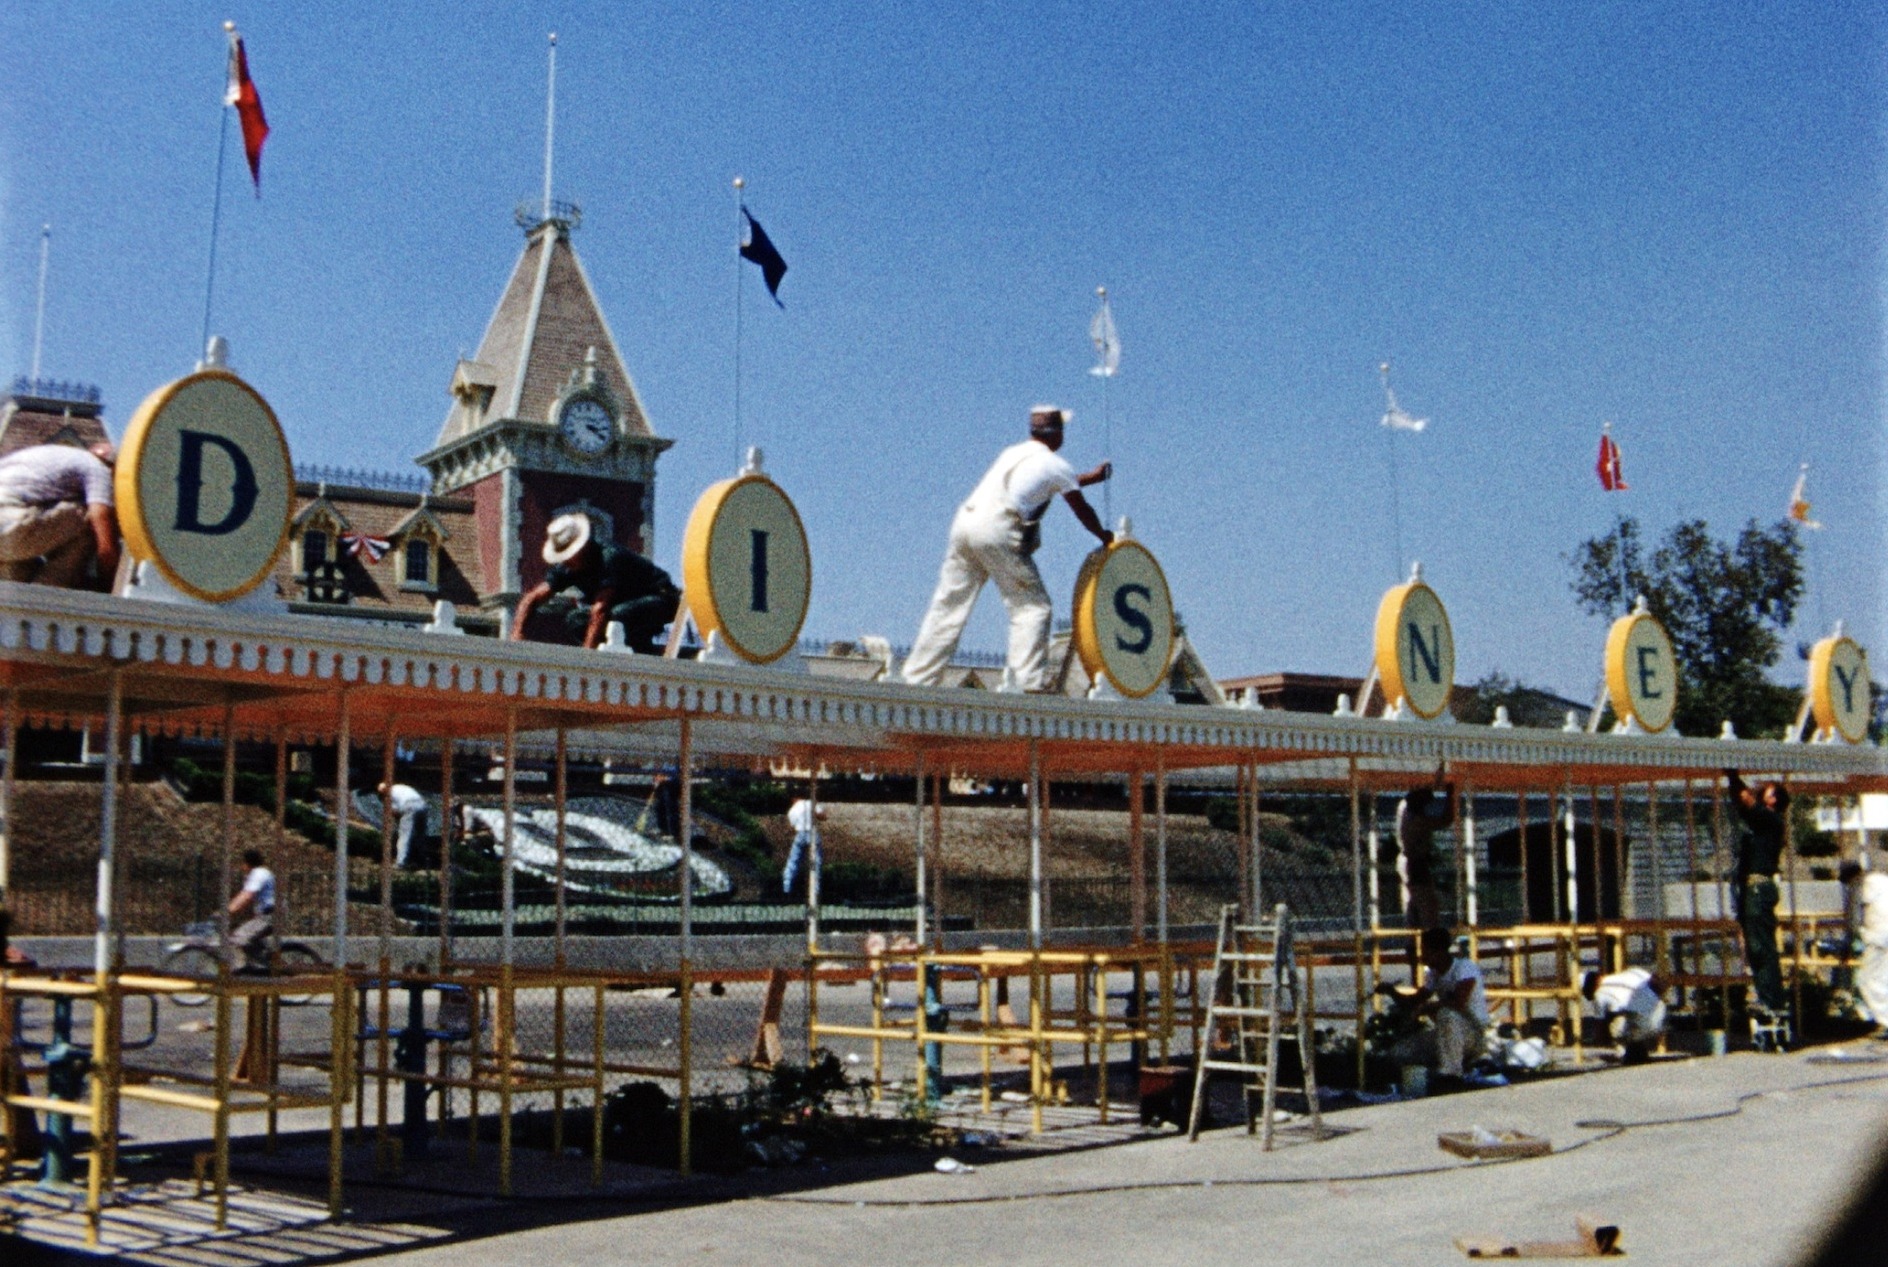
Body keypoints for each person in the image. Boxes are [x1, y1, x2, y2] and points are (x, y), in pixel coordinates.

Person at [902, 405, 1113, 692]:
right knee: (1032, 607)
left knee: (949, 604)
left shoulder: (1013, 453)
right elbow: (1080, 507)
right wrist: (1103, 535)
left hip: (966, 522)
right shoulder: (1056, 465)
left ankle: (918, 679)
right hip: (998, 528)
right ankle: (1027, 683)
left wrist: (1091, 477)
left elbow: (1052, 483)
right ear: (1058, 434)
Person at [511, 514, 681, 653]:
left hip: (661, 598)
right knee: (576, 619)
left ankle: (639, 649)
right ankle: (623, 647)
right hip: (621, 605)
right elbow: (532, 598)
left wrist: (587, 655)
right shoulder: (569, 567)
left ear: (582, 547)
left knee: (616, 617)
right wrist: (518, 633)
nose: (565, 561)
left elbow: (600, 610)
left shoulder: (609, 557)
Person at [0, 442, 120, 591]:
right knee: (90, 521)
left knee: (23, 572)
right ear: (113, 467)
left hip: (7, 532)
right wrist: (109, 585)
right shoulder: (97, 468)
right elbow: (104, 537)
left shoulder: (57, 456)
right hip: (10, 523)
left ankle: (23, 604)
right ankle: (48, 597)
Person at [1726, 769, 1790, 1023]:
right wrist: (1733, 781)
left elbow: (1746, 800)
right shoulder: (1761, 821)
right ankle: (1768, 998)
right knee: (1755, 948)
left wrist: (1732, 774)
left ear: (1774, 800)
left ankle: (1774, 1002)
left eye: (1769, 790)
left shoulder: (1771, 820)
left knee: (1761, 946)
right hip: (1751, 889)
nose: (1763, 790)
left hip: (1758, 889)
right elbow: (1742, 801)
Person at [1385, 928, 1489, 1082]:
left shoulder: (1464, 967)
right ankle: (1440, 1069)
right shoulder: (1433, 975)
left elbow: (1459, 1003)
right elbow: (1414, 1001)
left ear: (1438, 951)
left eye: (1425, 950)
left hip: (1473, 1033)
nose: (1422, 955)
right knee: (1399, 1052)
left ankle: (1451, 1075)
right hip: (1447, 1034)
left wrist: (1428, 1008)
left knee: (1447, 1014)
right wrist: (1391, 992)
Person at [1395, 767, 1455, 971]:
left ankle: (1418, 968)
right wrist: (1451, 794)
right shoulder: (1417, 819)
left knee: (1413, 921)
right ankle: (1432, 968)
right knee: (1430, 921)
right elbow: (1446, 819)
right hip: (1416, 866)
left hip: (1411, 866)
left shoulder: (1406, 813)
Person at [1838, 861, 1888, 1040]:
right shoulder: (1880, 879)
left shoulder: (1858, 887)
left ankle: (1884, 1021)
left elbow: (1853, 921)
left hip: (1879, 936)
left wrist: (1846, 945)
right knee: (1883, 978)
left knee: (1867, 980)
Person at [1582, 966, 1668, 1063]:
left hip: (1646, 1022)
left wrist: (1600, 1039)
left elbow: (1600, 1024)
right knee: (1631, 1017)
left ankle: (1624, 1054)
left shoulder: (1599, 994)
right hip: (1661, 1013)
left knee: (1617, 1026)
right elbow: (1660, 984)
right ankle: (1638, 1051)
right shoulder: (1630, 973)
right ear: (1599, 975)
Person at [228, 848, 276, 970]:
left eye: (243, 863)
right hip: (268, 914)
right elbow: (244, 897)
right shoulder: (261, 873)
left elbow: (247, 895)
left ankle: (242, 971)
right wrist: (232, 909)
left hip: (269, 915)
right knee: (251, 941)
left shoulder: (258, 873)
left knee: (238, 938)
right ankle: (261, 967)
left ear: (248, 863)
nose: (241, 867)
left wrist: (228, 910)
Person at [782, 796, 828, 898]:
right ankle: (815, 890)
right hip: (812, 833)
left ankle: (786, 887)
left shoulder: (792, 811)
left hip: (800, 833)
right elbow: (823, 817)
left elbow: (793, 826)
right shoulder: (810, 803)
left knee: (793, 860)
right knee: (815, 862)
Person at [379, 781, 428, 868]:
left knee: (405, 835)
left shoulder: (388, 794)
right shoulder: (399, 787)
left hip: (409, 806)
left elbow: (394, 812)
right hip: (422, 805)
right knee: (420, 835)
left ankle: (401, 862)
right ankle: (422, 860)